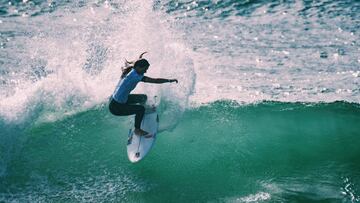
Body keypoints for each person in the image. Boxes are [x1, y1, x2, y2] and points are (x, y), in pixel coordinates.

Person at [109, 52, 178, 137]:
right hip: (116, 107)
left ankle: (141, 114)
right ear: (138, 67)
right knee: (140, 109)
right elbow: (155, 81)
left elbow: (137, 63)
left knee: (143, 98)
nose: (145, 71)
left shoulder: (132, 69)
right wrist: (169, 80)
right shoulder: (135, 76)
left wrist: (140, 57)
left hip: (117, 100)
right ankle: (137, 130)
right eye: (145, 69)